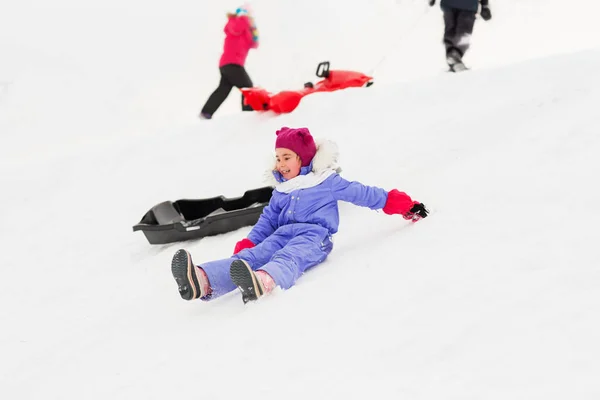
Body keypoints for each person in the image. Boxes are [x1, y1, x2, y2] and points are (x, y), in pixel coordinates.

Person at [170, 127, 429, 303]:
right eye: (278, 158)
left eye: (286, 158)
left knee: (290, 256)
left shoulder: (326, 181)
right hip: (282, 234)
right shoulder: (281, 190)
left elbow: (364, 194)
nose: (280, 165)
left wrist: (403, 205)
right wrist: (249, 243)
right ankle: (203, 281)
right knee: (251, 256)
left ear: (303, 158)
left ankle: (264, 281)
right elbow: (267, 221)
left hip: (315, 237)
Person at [199, 5, 259, 119]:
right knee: (248, 88)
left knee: (223, 89)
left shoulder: (245, 30)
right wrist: (244, 18)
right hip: (231, 63)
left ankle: (206, 112)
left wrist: (254, 29)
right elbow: (237, 28)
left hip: (230, 64)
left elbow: (254, 43)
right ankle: (248, 115)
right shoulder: (234, 23)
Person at [429, 0, 492, 72]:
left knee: (450, 31)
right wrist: (485, 6)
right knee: (464, 32)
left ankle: (452, 56)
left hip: (449, 4)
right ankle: (455, 55)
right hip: (468, 5)